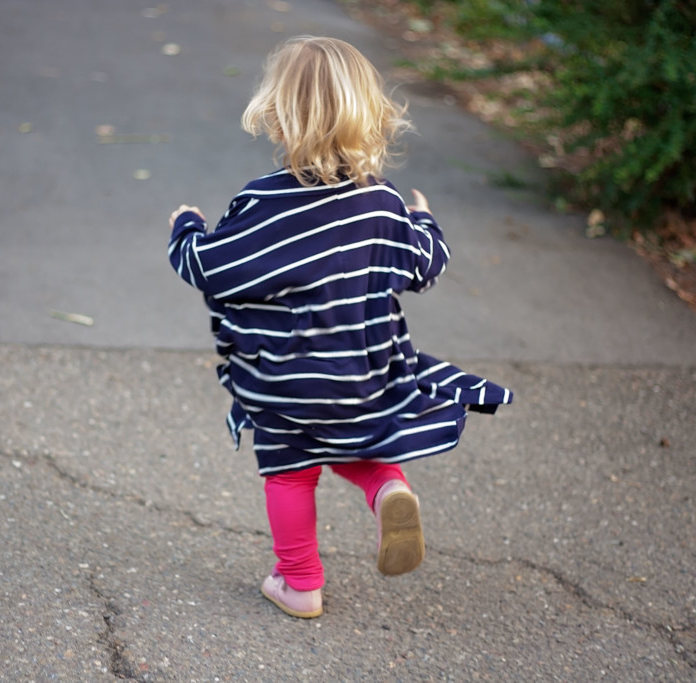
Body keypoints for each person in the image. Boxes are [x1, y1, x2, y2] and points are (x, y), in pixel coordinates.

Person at [167, 36, 512, 619]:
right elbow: (424, 266)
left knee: (291, 474)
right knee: (354, 438)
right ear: (371, 118)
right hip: (362, 374)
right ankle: (388, 489)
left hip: (284, 383)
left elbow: (212, 270)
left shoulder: (261, 205)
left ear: (277, 118)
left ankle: (300, 584)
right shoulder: (381, 205)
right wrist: (425, 218)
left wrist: (186, 227)